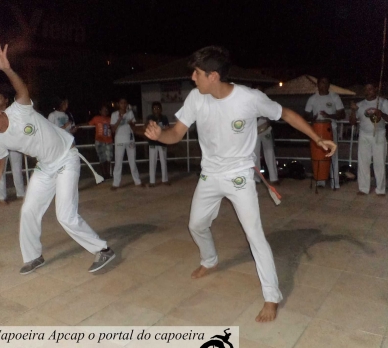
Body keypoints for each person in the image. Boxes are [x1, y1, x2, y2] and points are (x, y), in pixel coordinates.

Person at [145, 46, 336, 322]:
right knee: (196, 224)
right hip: (210, 175)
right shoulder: (196, 98)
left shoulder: (248, 98)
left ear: (213, 76)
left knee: (254, 235)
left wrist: (317, 139)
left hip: (239, 176)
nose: (192, 78)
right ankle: (209, 260)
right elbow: (175, 133)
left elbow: (286, 114)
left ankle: (272, 297)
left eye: (196, 73)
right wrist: (159, 135)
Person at [0, 37, 114, 274]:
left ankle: (104, 250)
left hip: (67, 158)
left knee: (65, 215)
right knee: (28, 211)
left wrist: (6, 68)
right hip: (46, 167)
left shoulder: (19, 110)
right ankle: (33, 256)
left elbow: (21, 89)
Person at [349, 83, 388, 196]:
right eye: (365, 89)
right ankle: (363, 188)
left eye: (370, 89)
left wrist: (381, 114)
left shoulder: (383, 102)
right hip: (364, 135)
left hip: (379, 134)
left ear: (376, 89)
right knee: (363, 162)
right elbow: (352, 122)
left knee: (379, 163)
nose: (367, 91)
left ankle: (380, 189)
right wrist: (353, 111)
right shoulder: (360, 104)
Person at [304, 76, 345, 189]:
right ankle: (320, 180)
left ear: (329, 85)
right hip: (316, 131)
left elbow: (342, 114)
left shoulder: (334, 97)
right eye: (322, 82)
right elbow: (305, 115)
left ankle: (335, 183)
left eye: (326, 83)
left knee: (333, 155)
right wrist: (313, 118)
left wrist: (329, 116)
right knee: (319, 155)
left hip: (330, 129)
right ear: (317, 84)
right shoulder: (312, 98)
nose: (324, 85)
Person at [0, 91, 26, 201]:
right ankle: (2, 197)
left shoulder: (12, 112)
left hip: (14, 144)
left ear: (6, 100)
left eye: (0, 98)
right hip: (1, 144)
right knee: (0, 170)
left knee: (17, 169)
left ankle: (20, 194)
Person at [110, 98, 143, 189]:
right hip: (119, 141)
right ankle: (116, 183)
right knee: (118, 162)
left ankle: (137, 181)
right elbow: (113, 130)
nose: (123, 105)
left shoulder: (130, 113)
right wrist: (119, 120)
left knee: (132, 161)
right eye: (121, 103)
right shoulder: (114, 114)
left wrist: (131, 123)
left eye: (125, 103)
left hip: (130, 140)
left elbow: (134, 128)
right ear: (118, 104)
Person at [145, 101, 170, 187]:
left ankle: (165, 180)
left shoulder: (164, 118)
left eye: (158, 108)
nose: (156, 110)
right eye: (154, 108)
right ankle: (152, 181)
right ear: (152, 110)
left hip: (162, 142)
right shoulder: (150, 118)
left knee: (163, 161)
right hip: (153, 142)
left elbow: (167, 128)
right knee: (152, 161)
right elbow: (146, 126)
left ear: (161, 109)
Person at [89, 104, 113, 180]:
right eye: (103, 110)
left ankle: (108, 174)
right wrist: (78, 125)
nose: (105, 111)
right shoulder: (96, 118)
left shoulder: (110, 119)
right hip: (99, 141)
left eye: (106, 110)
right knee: (102, 158)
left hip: (108, 140)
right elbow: (88, 124)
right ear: (100, 111)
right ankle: (104, 174)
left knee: (108, 158)